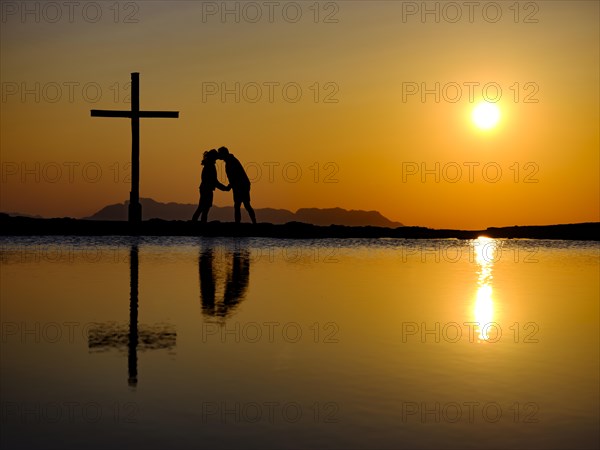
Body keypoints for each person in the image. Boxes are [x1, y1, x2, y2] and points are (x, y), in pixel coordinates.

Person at [217, 146, 257, 224]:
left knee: (244, 204)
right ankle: (248, 222)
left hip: (242, 185)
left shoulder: (231, 161)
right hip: (238, 185)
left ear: (224, 154)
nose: (219, 155)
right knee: (240, 205)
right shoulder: (229, 161)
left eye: (220, 153)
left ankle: (252, 223)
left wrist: (229, 186)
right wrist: (231, 185)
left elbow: (235, 176)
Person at [191, 149, 230, 223]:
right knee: (204, 209)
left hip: (204, 189)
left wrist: (224, 188)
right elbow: (215, 181)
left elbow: (214, 181)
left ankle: (195, 223)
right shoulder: (210, 166)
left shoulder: (208, 165)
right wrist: (225, 188)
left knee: (202, 208)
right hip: (207, 189)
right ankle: (198, 224)